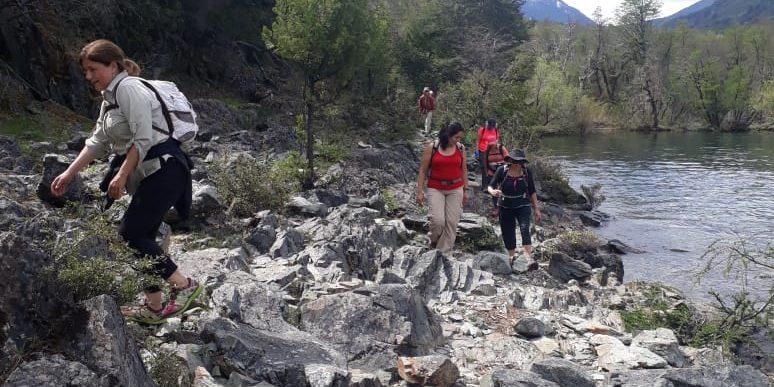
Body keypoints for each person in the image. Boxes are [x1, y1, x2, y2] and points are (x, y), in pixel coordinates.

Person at [50, 39, 202, 322]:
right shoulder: (110, 98)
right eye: (85, 71)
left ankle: (184, 286)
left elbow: (143, 138)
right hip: (152, 173)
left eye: (93, 69)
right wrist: (69, 173)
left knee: (131, 233)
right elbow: (97, 141)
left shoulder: (129, 89)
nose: (88, 77)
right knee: (141, 236)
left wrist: (120, 176)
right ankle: (155, 307)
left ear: (113, 65)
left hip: (165, 171)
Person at [416, 122, 469, 254]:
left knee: (451, 222)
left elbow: (464, 170)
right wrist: (420, 192)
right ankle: (433, 240)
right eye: (456, 137)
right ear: (447, 136)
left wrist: (466, 190)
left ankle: (442, 253)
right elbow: (423, 170)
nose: (458, 140)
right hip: (436, 188)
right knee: (438, 221)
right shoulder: (432, 147)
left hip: (456, 188)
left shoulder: (460, 148)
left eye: (460, 138)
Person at [487, 149, 542, 269]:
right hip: (505, 205)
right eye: (514, 160)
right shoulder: (502, 170)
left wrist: (536, 209)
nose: (517, 163)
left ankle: (528, 258)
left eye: (520, 161)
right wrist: (493, 191)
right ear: (510, 160)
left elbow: (532, 191)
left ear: (523, 161)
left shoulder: (527, 172)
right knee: (508, 231)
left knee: (524, 228)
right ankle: (511, 256)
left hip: (523, 204)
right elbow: (490, 186)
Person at [484, 141, 509, 215]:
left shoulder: (501, 148)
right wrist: (486, 172)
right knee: (494, 190)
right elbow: (485, 162)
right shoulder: (487, 150)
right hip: (491, 172)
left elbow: (508, 160)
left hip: (503, 172)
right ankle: (496, 208)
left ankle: (505, 206)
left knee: (504, 189)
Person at [476, 118, 499, 191]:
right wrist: (476, 152)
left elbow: (496, 140)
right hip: (482, 150)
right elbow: (478, 141)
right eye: (490, 125)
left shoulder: (495, 130)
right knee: (484, 167)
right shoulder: (482, 130)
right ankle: (485, 186)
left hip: (491, 152)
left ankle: (492, 185)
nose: (491, 127)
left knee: (492, 167)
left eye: (493, 126)